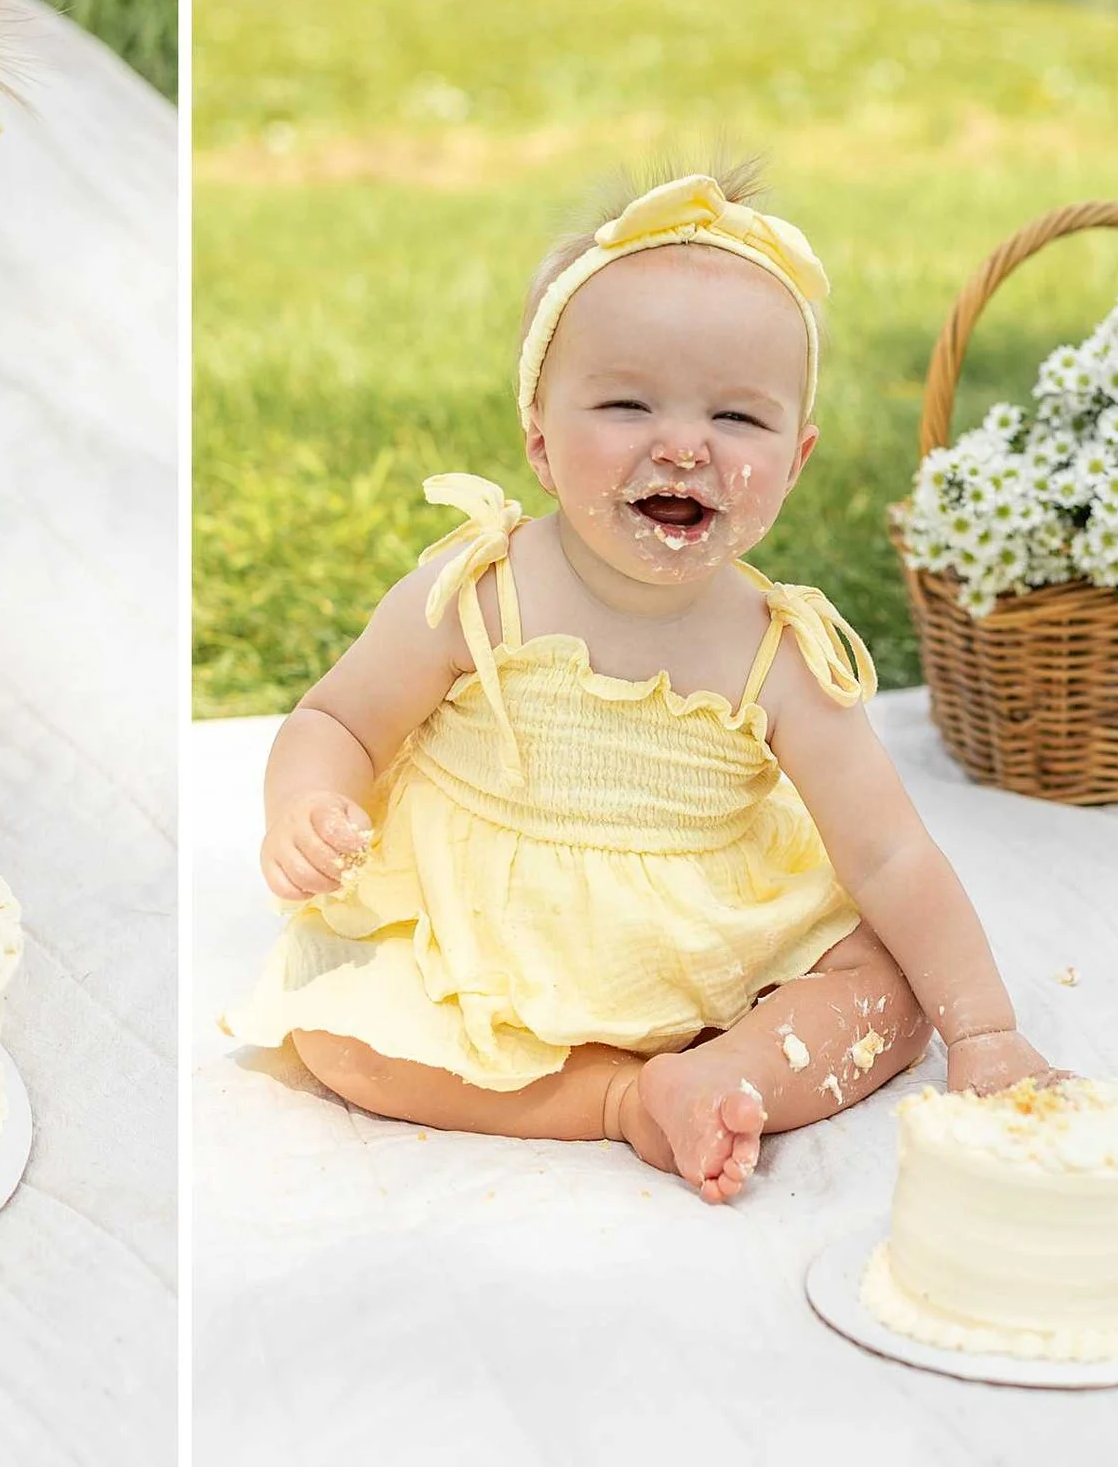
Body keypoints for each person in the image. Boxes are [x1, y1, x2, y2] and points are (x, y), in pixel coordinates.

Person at [226, 167, 1056, 1203]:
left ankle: (727, 1071)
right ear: (537, 439)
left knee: (891, 992)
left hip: (707, 923)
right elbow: (337, 717)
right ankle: (623, 1100)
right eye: (625, 404)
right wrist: (305, 801)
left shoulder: (778, 651)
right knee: (344, 1046)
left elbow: (889, 852)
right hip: (492, 930)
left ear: (794, 462)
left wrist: (984, 1029)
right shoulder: (478, 591)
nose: (682, 443)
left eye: (737, 419)